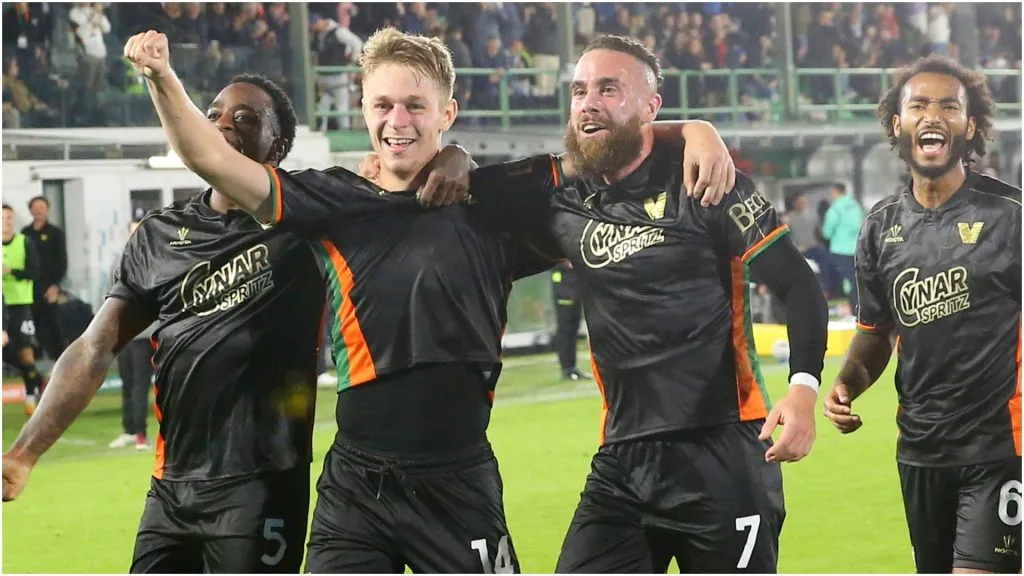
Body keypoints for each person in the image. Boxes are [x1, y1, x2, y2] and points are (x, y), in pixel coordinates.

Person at [123, 27, 737, 574]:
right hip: (355, 487)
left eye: (416, 106)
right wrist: (162, 77)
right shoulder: (330, 202)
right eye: (383, 105)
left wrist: (694, 130)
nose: (398, 121)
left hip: (458, 481)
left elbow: (605, 150)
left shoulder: (495, 197)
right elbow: (211, 158)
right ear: (362, 109)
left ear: (448, 112)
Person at [467, 35, 829, 573]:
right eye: (579, 90)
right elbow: (473, 192)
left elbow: (799, 287)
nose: (589, 101)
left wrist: (803, 389)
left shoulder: (706, 182)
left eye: (609, 89)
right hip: (623, 459)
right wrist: (453, 154)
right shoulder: (561, 202)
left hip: (723, 450)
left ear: (650, 106)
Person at [3, 74, 328, 573]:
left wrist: (453, 158)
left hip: (261, 484)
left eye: (244, 118)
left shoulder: (306, 220)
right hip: (171, 488)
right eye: (214, 113)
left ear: (278, 145)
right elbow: (94, 348)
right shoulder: (158, 235)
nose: (222, 125)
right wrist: (23, 453)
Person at [824, 54, 1021, 574]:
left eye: (948, 106)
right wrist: (847, 383)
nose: (932, 115)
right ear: (898, 123)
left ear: (970, 126)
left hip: (1002, 446)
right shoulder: (879, 227)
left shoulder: (1011, 216)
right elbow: (874, 333)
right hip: (920, 450)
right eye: (919, 105)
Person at [107, 219, 155, 451]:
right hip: (124, 333)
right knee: (127, 382)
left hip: (145, 334)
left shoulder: (156, 260)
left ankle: (141, 435)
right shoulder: (120, 261)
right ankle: (128, 430)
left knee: (140, 384)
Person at [2, 204, 45, 416]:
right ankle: (37, 382)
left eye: (9, 217)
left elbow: (34, 272)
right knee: (9, 353)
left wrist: (11, 271)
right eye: (2, 218)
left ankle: (30, 400)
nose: (6, 222)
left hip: (20, 306)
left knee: (25, 353)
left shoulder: (24, 242)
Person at [21, 195, 68, 361]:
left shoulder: (55, 233)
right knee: (33, 327)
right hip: (29, 289)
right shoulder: (25, 234)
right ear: (31, 210)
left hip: (49, 289)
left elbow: (62, 263)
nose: (39, 211)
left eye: (42, 208)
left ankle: (61, 362)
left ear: (47, 210)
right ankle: (38, 365)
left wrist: (55, 286)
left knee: (53, 327)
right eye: (36, 208)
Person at [821, 183, 864, 316]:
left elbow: (827, 232)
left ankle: (853, 311)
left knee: (848, 283)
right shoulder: (856, 207)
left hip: (840, 250)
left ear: (835, 192)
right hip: (857, 249)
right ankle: (862, 309)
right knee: (858, 280)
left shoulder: (835, 209)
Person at [551, 260, 588, 381]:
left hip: (574, 285)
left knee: (573, 328)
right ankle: (567, 368)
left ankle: (572, 367)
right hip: (563, 286)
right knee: (565, 328)